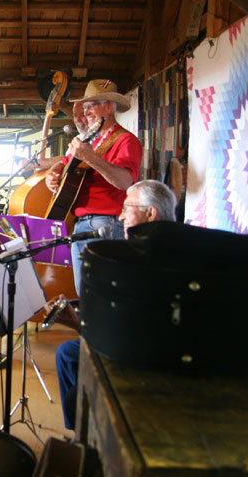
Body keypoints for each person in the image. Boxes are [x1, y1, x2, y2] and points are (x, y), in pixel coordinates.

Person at [55, 179, 176, 431]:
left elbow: (121, 337)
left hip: (145, 358)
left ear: (150, 212)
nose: (120, 217)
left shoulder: (142, 261)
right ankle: (81, 431)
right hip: (148, 345)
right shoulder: (162, 248)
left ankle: (85, 433)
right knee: (67, 353)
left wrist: (75, 323)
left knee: (69, 361)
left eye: (126, 208)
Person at [45, 79, 143, 295]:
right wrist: (52, 175)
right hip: (81, 225)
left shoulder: (126, 140)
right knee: (87, 298)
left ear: (109, 106)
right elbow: (63, 163)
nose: (85, 112)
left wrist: (90, 157)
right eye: (85, 107)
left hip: (106, 225)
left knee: (102, 298)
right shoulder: (89, 140)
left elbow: (126, 181)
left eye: (91, 106)